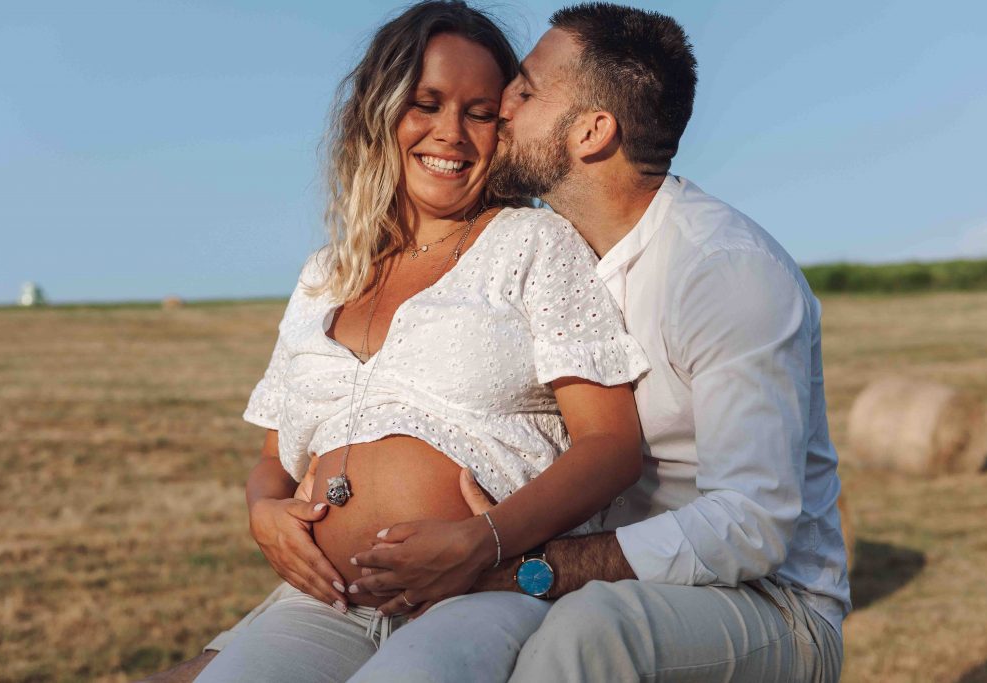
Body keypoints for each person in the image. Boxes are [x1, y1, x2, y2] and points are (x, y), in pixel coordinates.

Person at [154, 2, 850, 682]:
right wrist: (266, 514)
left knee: (581, 636)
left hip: (756, 597)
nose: (496, 113)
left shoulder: (715, 270)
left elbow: (749, 524)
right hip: (401, 588)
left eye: (512, 97)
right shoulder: (341, 272)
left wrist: (506, 556)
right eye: (430, 102)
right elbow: (278, 453)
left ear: (590, 131)